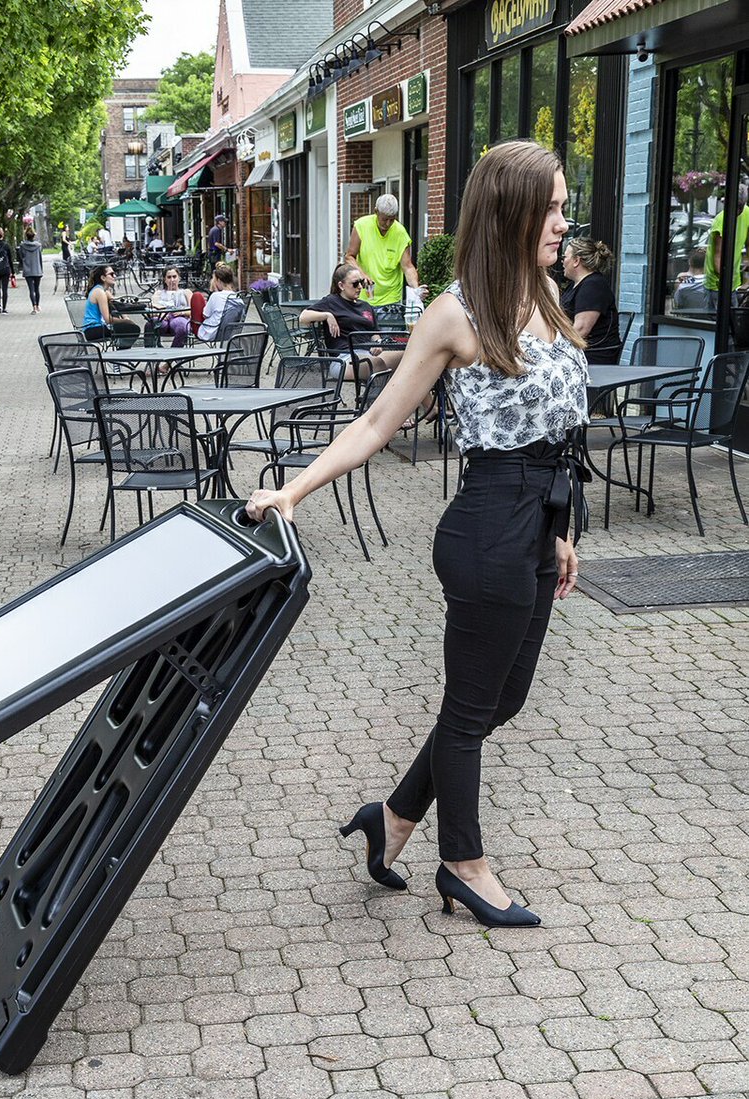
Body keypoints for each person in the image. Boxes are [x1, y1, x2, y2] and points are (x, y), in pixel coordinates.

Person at [246, 140, 589, 928]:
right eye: (550, 209)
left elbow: (555, 433)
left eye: (563, 208)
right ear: (508, 212)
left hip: (537, 523)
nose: (560, 224)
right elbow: (375, 422)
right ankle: (463, 865)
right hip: (486, 528)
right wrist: (294, 490)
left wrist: (561, 533)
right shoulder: (454, 312)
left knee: (503, 698)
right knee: (468, 713)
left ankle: (394, 815)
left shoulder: (546, 293)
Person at [298, 263, 405, 381]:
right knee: (376, 364)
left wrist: (377, 343)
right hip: (343, 359)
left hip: (369, 354)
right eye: (355, 283)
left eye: (361, 282)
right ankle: (379, 392)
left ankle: (387, 390)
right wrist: (327, 315)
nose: (360, 287)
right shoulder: (332, 301)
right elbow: (303, 317)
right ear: (341, 285)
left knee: (407, 358)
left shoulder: (366, 306)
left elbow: (374, 333)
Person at [345, 194, 426, 324]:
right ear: (376, 211)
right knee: (365, 336)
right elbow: (349, 256)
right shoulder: (361, 226)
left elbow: (407, 267)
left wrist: (416, 289)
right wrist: (362, 274)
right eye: (384, 219)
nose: (387, 224)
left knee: (389, 336)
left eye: (392, 220)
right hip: (364, 299)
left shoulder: (400, 233)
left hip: (391, 302)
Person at [560, 237, 620, 364]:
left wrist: (554, 350)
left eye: (565, 257)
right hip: (578, 354)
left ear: (576, 261)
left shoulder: (593, 285)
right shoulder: (575, 285)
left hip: (592, 357)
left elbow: (581, 330)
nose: (562, 261)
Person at [703, 183, 749, 311]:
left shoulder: (747, 213)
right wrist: (726, 279)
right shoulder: (721, 220)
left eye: (740, 206)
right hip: (716, 284)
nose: (737, 211)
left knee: (732, 319)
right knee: (717, 319)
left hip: (732, 281)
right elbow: (718, 257)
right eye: (735, 206)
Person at [81, 262, 140, 345]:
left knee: (130, 328)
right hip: (93, 330)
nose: (114, 276)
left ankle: (121, 349)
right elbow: (108, 319)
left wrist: (125, 316)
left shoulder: (104, 291)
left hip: (96, 328)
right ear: (103, 278)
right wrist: (126, 322)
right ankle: (122, 351)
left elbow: (117, 305)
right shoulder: (99, 292)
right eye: (111, 274)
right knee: (133, 329)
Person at [147, 265, 192, 347]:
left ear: (179, 278)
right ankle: (151, 352)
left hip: (179, 317)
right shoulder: (158, 293)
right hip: (162, 318)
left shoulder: (186, 292)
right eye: (169, 277)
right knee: (150, 324)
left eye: (174, 277)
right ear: (165, 279)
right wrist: (160, 313)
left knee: (182, 326)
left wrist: (182, 312)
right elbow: (151, 308)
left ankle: (174, 351)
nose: (172, 280)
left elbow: (194, 310)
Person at [196, 261, 240, 342]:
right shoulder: (238, 298)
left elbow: (205, 315)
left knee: (196, 298)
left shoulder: (215, 296)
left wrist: (215, 290)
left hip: (211, 333)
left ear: (219, 280)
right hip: (230, 334)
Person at [17, 227, 44, 314]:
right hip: (37, 269)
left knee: (31, 289)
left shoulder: (22, 246)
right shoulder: (38, 246)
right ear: (34, 235)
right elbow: (40, 256)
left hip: (28, 270)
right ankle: (38, 305)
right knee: (37, 289)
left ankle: (34, 306)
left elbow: (21, 256)